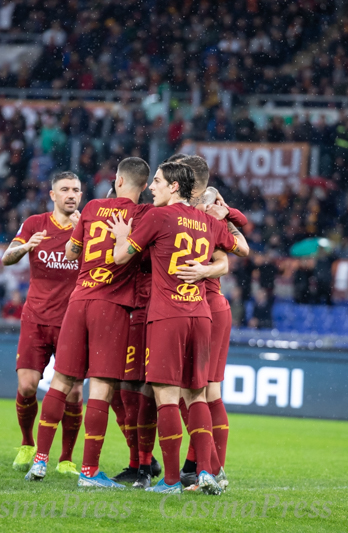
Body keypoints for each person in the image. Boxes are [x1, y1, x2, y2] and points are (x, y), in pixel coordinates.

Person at [109, 162, 249, 495]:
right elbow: (237, 250)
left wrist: (122, 237)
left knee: (167, 398)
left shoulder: (158, 218)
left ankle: (171, 480)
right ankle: (206, 472)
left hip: (168, 314)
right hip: (201, 315)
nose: (151, 187)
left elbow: (119, 258)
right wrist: (227, 222)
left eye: (156, 182)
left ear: (174, 187)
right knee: (198, 395)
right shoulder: (206, 220)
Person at [27, 158, 162, 488]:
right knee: (101, 387)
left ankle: (40, 461)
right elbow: (143, 257)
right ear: (144, 186)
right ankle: (88, 473)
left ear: (116, 180)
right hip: (112, 306)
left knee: (60, 380)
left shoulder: (90, 209)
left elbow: (72, 253)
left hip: (78, 301)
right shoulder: (146, 215)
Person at [169, 154, 249, 489]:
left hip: (207, 306)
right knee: (197, 393)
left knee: (200, 393)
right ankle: (203, 465)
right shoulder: (192, 210)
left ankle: (211, 467)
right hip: (196, 307)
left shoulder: (209, 209)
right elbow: (242, 238)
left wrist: (226, 213)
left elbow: (240, 247)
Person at [1, 172, 84, 475]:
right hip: (35, 318)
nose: (71, 195)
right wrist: (25, 247)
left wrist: (84, 236)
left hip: (72, 322)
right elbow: (6, 257)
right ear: (53, 195)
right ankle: (27, 443)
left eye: (76, 189)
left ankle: (66, 459)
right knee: (26, 386)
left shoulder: (88, 228)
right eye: (64, 189)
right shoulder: (35, 224)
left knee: (74, 393)